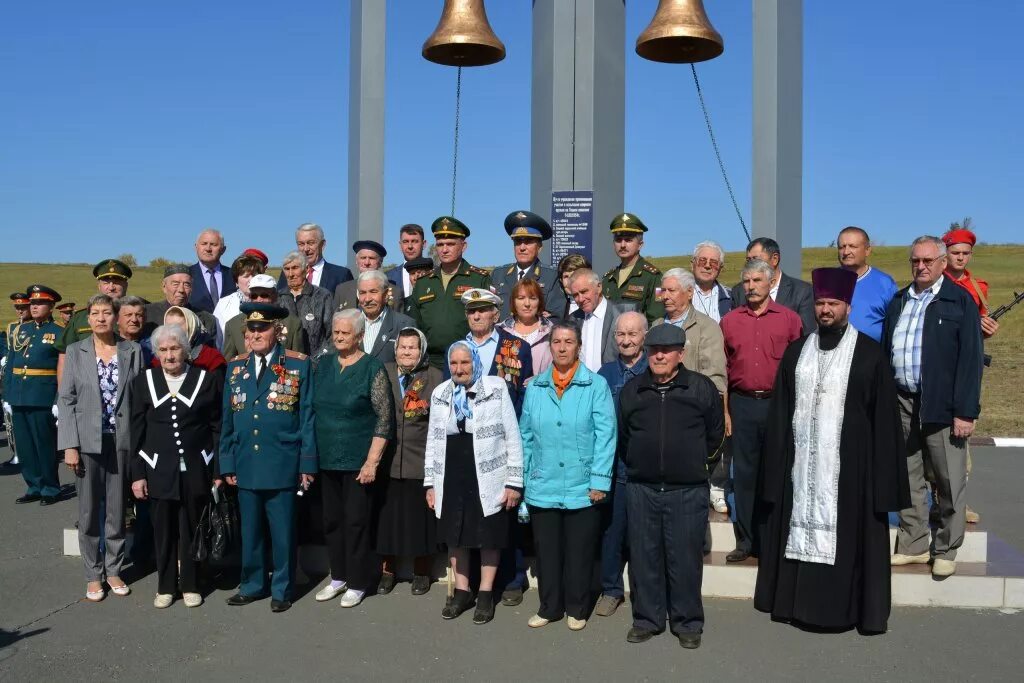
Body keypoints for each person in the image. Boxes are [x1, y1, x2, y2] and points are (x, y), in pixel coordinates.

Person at [755, 268, 910, 634]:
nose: (825, 310)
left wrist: (883, 484)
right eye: (820, 303)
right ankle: (793, 604)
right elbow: (780, 415)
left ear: (848, 307)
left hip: (850, 474)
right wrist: (773, 473)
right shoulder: (797, 352)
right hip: (800, 469)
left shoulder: (870, 356)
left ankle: (846, 611)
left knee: (848, 540)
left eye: (833, 304)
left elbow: (885, 425)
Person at [618, 323, 725, 649]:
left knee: (685, 560)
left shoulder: (700, 388)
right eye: (654, 350)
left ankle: (687, 621)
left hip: (687, 490)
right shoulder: (633, 390)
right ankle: (647, 619)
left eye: (667, 350)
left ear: (680, 353)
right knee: (644, 557)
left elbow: (716, 434)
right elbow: (625, 439)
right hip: (643, 489)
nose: (660, 355)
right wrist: (641, 464)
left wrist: (695, 466)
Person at [882, 236, 983, 578]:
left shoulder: (959, 301)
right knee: (907, 476)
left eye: (928, 261)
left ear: (943, 263)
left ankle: (946, 547)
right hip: (902, 401)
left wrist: (965, 411)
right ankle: (913, 543)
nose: (921, 267)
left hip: (942, 404)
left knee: (949, 478)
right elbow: (887, 351)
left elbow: (970, 360)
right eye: (916, 261)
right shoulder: (899, 301)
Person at [219, 303, 317, 613]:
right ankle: (251, 584)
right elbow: (227, 419)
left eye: (263, 328)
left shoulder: (298, 365)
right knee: (250, 531)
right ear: (245, 334)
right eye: (252, 329)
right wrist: (227, 462)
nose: (257, 334)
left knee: (283, 532)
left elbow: (307, 416)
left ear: (277, 331)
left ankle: (282, 589)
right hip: (246, 460)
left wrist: (307, 462)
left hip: (282, 461)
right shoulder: (236, 367)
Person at [519, 320, 615, 631]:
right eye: (557, 342)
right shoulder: (535, 387)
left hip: (582, 485)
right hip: (542, 483)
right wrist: (522, 482)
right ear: (550, 346)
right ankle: (549, 607)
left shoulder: (595, 385)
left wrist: (600, 480)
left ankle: (577, 606)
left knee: (579, 551)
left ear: (578, 347)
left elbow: (606, 434)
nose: (562, 347)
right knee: (547, 553)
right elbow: (525, 437)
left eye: (568, 342)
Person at [423, 341, 524, 624]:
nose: (459, 369)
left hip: (488, 473)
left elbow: (512, 435)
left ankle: (485, 594)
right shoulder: (441, 393)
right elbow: (433, 439)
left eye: (465, 362)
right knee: (455, 534)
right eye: (453, 363)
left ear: (476, 362)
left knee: (488, 533)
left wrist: (514, 482)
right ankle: (462, 591)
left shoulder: (495, 387)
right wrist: (430, 483)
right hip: (451, 472)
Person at [129, 324, 222, 609]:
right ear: (156, 353)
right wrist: (137, 475)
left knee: (193, 528)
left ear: (186, 350)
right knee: (163, 531)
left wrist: (217, 470)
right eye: (164, 350)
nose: (170, 355)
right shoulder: (144, 381)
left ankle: (191, 584)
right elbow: (136, 431)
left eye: (175, 348)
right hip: (158, 470)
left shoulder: (205, 380)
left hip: (196, 468)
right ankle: (166, 586)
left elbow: (217, 427)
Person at [57, 294, 143, 601]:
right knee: (90, 510)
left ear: (116, 317)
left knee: (117, 509)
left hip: (121, 440)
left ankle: (114, 569)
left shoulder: (131, 350)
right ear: (88, 319)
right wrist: (69, 445)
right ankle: (93, 574)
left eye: (107, 312)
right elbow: (66, 399)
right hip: (87, 442)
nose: (101, 318)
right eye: (95, 313)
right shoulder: (76, 351)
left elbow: (139, 399)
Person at [312, 309, 395, 608]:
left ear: (360, 336)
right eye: (335, 332)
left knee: (357, 522)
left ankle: (359, 582)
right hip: (327, 459)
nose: (338, 337)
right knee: (332, 521)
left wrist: (372, 462)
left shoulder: (372, 368)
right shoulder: (322, 365)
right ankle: (338, 576)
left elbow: (384, 419)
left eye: (345, 332)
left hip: (359, 462)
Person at [720, 260, 802, 562]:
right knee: (744, 475)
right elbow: (724, 371)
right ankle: (746, 540)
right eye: (747, 281)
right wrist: (726, 411)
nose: (751, 286)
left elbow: (799, 367)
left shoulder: (789, 320)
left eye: (757, 280)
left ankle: (774, 538)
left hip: (777, 405)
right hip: (742, 404)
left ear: (770, 283)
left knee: (778, 473)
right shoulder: (729, 321)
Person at [376, 327, 444, 596]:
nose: (406, 352)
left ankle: (422, 571)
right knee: (387, 520)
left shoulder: (435, 377)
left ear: (422, 350)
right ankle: (387, 570)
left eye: (412, 347)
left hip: (420, 458)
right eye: (402, 347)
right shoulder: (384, 372)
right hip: (388, 460)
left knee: (421, 522)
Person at [657, 268, 729, 514]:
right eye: (662, 290)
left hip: (692, 414)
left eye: (671, 290)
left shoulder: (707, 328)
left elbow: (715, 377)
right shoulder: (655, 326)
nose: (665, 296)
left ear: (689, 293)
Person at [594, 311, 648, 618]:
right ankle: (611, 589)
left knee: (642, 532)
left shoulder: (653, 370)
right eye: (621, 335)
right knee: (611, 531)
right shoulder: (605, 373)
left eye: (632, 334)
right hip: (612, 466)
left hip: (642, 466)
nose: (626, 340)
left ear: (644, 336)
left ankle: (644, 591)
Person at [407, 216, 492, 368]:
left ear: (463, 246)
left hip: (469, 358)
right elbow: (415, 324)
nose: (444, 249)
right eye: (440, 245)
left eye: (450, 244)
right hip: (431, 362)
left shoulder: (478, 279)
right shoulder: (423, 282)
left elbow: (489, 322)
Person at [8, 285, 64, 505]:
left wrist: (58, 398)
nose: (35, 306)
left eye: (40, 303)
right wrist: (7, 394)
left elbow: (63, 367)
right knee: (25, 445)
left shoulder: (59, 332)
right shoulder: (22, 330)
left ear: (51, 307)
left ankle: (50, 487)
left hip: (42, 396)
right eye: (32, 303)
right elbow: (13, 362)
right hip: (19, 395)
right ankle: (33, 485)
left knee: (44, 444)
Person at [56, 259, 135, 384]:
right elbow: (64, 355)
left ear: (126, 285)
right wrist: (63, 393)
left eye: (116, 282)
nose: (111, 287)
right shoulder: (81, 317)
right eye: (106, 282)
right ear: (99, 286)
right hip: (85, 388)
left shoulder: (140, 314)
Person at [461, 288, 533, 416]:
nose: (476, 317)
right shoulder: (456, 349)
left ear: (496, 316)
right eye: (471, 312)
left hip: (505, 426)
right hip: (466, 429)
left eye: (482, 311)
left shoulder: (520, 347)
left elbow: (525, 394)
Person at [730, 237, 815, 335]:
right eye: (748, 260)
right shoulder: (739, 291)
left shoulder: (801, 291)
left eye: (756, 259)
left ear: (774, 259)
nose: (751, 264)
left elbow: (806, 334)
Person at [491, 210, 562, 318]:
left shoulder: (552, 276)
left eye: (528, 242)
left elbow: (556, 317)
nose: (522, 247)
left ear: (539, 247)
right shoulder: (498, 275)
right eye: (518, 242)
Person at [221, 274, 306, 360]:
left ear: (275, 296)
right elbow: (229, 364)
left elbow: (297, 363)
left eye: (264, 295)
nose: (259, 300)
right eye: (254, 296)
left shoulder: (292, 323)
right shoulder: (233, 325)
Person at [837, 226, 898, 342]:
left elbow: (895, 325)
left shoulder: (885, 283)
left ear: (867, 250)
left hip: (873, 356)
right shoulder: (829, 280)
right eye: (842, 247)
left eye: (852, 246)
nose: (846, 252)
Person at [601, 213, 665, 324]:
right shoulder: (607, 279)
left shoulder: (653, 277)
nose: (622, 245)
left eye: (628, 240)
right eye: (618, 239)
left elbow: (656, 318)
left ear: (640, 245)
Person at [570, 269, 636, 371]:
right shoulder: (572, 319)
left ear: (599, 287)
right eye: (575, 295)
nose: (580, 299)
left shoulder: (624, 314)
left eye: (584, 291)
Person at [942, 226, 999, 338]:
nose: (960, 257)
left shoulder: (979, 287)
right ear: (945, 254)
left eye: (966, 253)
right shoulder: (934, 283)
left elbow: (981, 329)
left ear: (971, 255)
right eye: (955, 253)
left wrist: (987, 330)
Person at [278, 250, 335, 357]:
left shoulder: (322, 296)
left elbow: (332, 334)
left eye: (295, 268)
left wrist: (322, 360)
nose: (290, 274)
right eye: (287, 269)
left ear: (307, 269)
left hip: (316, 365)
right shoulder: (278, 298)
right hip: (283, 365)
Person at [353, 270, 415, 365]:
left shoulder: (404, 324)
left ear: (385, 294)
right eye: (362, 293)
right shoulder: (349, 323)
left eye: (373, 292)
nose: (367, 299)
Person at [144, 264, 217, 339]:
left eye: (186, 285)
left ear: (191, 288)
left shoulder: (206, 319)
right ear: (164, 287)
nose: (181, 290)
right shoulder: (147, 313)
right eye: (175, 284)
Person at [277, 222, 354, 294]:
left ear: (322, 245)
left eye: (311, 243)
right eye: (301, 244)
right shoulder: (287, 275)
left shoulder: (341, 275)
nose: (306, 249)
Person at [499, 278, 554, 377]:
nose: (527, 304)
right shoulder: (500, 331)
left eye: (533, 298)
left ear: (539, 301)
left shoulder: (552, 331)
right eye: (521, 298)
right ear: (513, 302)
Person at [1, 292, 32, 467]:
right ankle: (17, 454)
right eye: (17, 307)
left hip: (31, 378)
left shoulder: (35, 327)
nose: (20, 310)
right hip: (14, 376)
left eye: (23, 307)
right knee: (13, 422)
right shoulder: (12, 327)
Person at [212, 253, 267, 347]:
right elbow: (218, 340)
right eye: (246, 276)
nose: (251, 280)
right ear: (236, 282)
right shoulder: (223, 304)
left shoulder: (270, 300)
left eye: (254, 275)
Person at [333, 240, 402, 312]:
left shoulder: (395, 291)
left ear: (380, 262)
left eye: (372, 258)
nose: (367, 263)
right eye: (363, 258)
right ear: (357, 261)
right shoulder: (342, 290)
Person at [160, 306, 227, 377]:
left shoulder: (211, 358)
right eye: (169, 327)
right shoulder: (160, 358)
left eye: (177, 326)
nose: (172, 331)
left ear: (191, 327)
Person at [189, 228, 236, 314]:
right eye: (204, 244)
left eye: (213, 244)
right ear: (196, 247)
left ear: (223, 250)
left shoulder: (234, 275)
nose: (208, 248)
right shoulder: (187, 275)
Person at [690, 241, 733, 322]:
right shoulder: (677, 292)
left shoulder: (732, 297)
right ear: (692, 265)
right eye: (702, 260)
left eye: (713, 263)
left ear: (720, 268)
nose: (707, 266)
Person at [386, 223, 427, 299]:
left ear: (424, 244)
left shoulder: (436, 274)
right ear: (400, 245)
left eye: (414, 241)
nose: (410, 246)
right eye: (405, 242)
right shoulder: (387, 278)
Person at [555, 253, 591, 319]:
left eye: (575, 275)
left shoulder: (596, 305)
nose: (570, 281)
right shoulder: (555, 309)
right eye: (566, 276)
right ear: (561, 280)